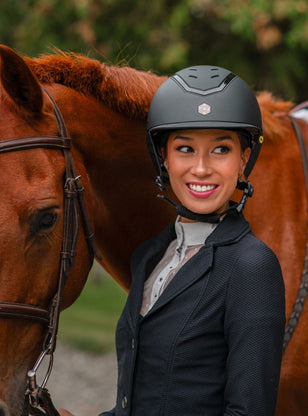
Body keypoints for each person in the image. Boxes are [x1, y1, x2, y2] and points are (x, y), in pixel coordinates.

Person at [62, 65, 286, 416]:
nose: (200, 168)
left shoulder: (252, 266)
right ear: (163, 159)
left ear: (243, 160)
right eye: (184, 148)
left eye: (220, 149)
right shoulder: (150, 256)